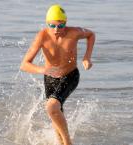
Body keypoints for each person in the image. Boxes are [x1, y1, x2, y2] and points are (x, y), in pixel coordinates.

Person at [20, 4, 95, 145]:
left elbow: (91, 35)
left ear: (65, 23)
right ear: (46, 22)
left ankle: (67, 143)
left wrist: (87, 57)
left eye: (60, 26)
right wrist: (43, 70)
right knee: (55, 112)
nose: (56, 30)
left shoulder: (74, 32)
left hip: (70, 75)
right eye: (52, 25)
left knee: (51, 107)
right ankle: (61, 142)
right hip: (50, 78)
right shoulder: (42, 36)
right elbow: (25, 64)